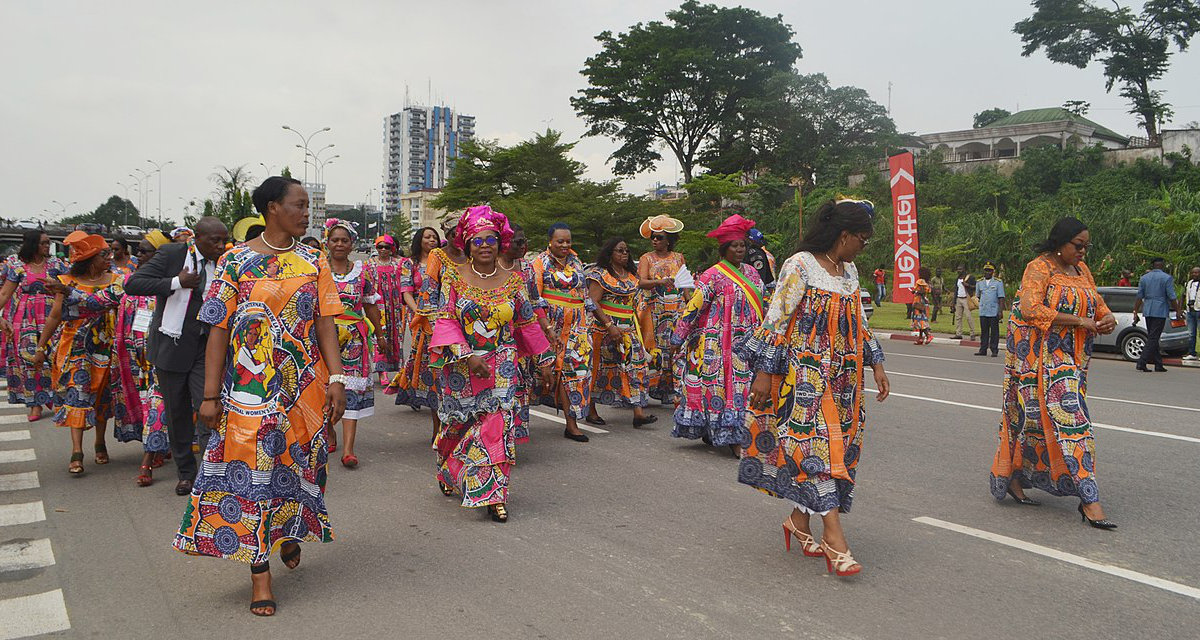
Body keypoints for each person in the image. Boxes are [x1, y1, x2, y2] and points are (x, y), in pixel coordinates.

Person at [173, 176, 346, 617]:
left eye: (308, 206)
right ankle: (259, 574)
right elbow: (217, 331)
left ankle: (288, 530)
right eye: (300, 205)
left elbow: (326, 323)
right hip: (249, 392)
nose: (307, 213)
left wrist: (339, 379)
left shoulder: (314, 260)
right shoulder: (235, 262)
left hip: (304, 391)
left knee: (299, 467)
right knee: (251, 478)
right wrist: (210, 396)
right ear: (273, 208)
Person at [742, 198, 890, 577]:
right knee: (817, 450)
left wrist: (876, 362)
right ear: (844, 235)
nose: (864, 245)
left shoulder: (849, 271)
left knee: (841, 447)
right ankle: (835, 539)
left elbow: (859, 319)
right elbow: (777, 318)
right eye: (862, 238)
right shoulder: (800, 264)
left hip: (844, 377)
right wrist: (763, 371)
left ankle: (797, 521)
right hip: (804, 374)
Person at [990, 217, 1118, 528]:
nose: (1083, 252)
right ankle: (1090, 500)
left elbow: (1095, 303)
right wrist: (1079, 322)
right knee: (1060, 422)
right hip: (1037, 360)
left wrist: (1106, 316)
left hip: (1072, 361)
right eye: (1078, 245)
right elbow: (1030, 308)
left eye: (1086, 246)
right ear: (1060, 242)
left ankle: (1014, 478)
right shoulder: (1039, 267)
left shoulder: (1081, 271)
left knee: (1034, 423)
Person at [428, 206, 553, 522]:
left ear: (501, 243)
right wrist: (467, 356)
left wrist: (545, 359)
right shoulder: (453, 278)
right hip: (461, 367)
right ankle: (450, 467)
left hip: (504, 365)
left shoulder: (513, 281)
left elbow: (526, 322)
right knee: (458, 425)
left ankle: (492, 494)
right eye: (478, 240)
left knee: (497, 425)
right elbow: (445, 319)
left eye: (491, 240)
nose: (485, 245)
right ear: (467, 244)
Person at [125, 216, 230, 495]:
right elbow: (134, 284)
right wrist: (176, 282)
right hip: (172, 345)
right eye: (215, 240)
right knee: (177, 414)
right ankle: (186, 473)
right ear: (197, 238)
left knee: (208, 407)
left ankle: (211, 472)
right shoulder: (173, 254)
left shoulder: (227, 262)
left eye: (224, 240)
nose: (221, 246)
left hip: (207, 347)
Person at [670, 214, 763, 456]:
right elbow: (694, 307)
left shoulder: (753, 274)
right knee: (728, 388)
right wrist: (678, 337)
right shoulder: (712, 275)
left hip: (749, 340)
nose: (740, 249)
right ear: (724, 248)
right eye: (734, 245)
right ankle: (731, 436)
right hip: (720, 340)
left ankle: (743, 432)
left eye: (743, 245)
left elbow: (763, 302)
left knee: (747, 386)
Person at [32, 232, 123, 475]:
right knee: (78, 394)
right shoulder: (66, 280)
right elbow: (55, 315)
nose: (110, 257)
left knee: (103, 395)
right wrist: (41, 346)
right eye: (104, 254)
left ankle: (100, 442)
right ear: (91, 258)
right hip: (75, 347)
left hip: (107, 345)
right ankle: (77, 451)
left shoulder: (117, 280)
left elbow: (101, 302)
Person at [323, 219, 386, 468]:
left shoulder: (362, 273)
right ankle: (329, 429)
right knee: (324, 386)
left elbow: (370, 306)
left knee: (351, 389)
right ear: (327, 243)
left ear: (352, 245)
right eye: (335, 239)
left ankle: (348, 449)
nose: (339, 244)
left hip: (354, 340)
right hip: (324, 338)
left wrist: (380, 336)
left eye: (344, 240)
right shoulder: (319, 270)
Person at [113, 232, 172, 486]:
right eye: (138, 250)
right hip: (134, 361)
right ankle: (158, 447)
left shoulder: (173, 285)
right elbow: (98, 299)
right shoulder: (129, 282)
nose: (138, 255)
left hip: (161, 359)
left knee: (156, 405)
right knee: (145, 407)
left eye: (145, 251)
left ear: (160, 255)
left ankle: (147, 462)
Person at [530, 223, 596, 442]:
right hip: (552, 324)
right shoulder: (540, 263)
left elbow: (584, 293)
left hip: (578, 325)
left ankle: (572, 424)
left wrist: (589, 320)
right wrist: (546, 327)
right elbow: (534, 297)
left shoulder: (576, 261)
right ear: (550, 241)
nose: (565, 245)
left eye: (568, 241)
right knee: (545, 373)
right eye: (560, 241)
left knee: (577, 372)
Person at [0, 229, 67, 421]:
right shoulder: (18, 266)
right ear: (32, 245)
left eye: (48, 242)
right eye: (43, 243)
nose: (47, 246)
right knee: (29, 358)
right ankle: (35, 404)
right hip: (25, 317)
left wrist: (57, 285)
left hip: (52, 314)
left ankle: (57, 399)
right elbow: (5, 293)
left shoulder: (56, 264)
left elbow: (70, 285)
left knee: (55, 356)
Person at [586, 237, 654, 427]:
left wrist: (663, 282)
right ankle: (591, 411)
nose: (624, 254)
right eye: (620, 251)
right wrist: (609, 325)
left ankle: (638, 413)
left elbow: (643, 286)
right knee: (598, 370)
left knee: (635, 368)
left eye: (626, 251)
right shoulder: (600, 275)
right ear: (610, 254)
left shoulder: (631, 275)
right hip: (603, 330)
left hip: (628, 330)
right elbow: (592, 302)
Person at [498, 223, 554, 443]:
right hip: (495, 341)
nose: (523, 246)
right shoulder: (488, 268)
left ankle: (508, 441)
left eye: (525, 241)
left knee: (519, 390)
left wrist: (547, 330)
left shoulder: (527, 269)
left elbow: (534, 304)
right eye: (518, 241)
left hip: (523, 342)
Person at [392, 226, 446, 435]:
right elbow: (406, 292)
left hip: (442, 318)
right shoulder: (409, 264)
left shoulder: (443, 261)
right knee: (424, 360)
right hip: (418, 318)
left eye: (435, 237)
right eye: (427, 237)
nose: (432, 240)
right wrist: (420, 313)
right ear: (419, 240)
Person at [637, 215, 687, 405]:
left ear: (669, 241)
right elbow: (641, 282)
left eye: (660, 237)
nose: (655, 241)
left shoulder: (678, 258)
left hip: (676, 308)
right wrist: (658, 281)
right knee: (656, 349)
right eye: (653, 237)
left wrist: (690, 304)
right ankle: (652, 387)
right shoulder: (646, 258)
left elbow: (684, 284)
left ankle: (676, 388)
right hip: (654, 310)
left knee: (676, 347)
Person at [364, 234, 406, 384]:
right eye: (379, 246)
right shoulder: (369, 264)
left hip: (395, 304)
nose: (383, 250)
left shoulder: (399, 264)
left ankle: (395, 368)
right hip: (378, 304)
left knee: (395, 335)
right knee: (380, 334)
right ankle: (382, 372)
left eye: (386, 247)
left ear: (392, 249)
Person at [1132, 257, 1180, 372]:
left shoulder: (1144, 278)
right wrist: (1178, 310)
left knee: (1153, 337)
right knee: (1153, 337)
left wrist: (1135, 311)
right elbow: (1172, 296)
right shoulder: (1167, 278)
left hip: (1148, 309)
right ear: (1162, 265)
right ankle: (1141, 362)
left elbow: (1139, 296)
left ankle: (1158, 364)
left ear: (1153, 265)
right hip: (1160, 310)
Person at [975, 262, 1006, 357]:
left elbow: (1001, 297)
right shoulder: (979, 282)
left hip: (993, 310)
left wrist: (1000, 311)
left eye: (989, 270)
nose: (987, 272)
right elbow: (978, 296)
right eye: (986, 270)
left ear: (993, 272)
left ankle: (994, 350)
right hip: (983, 310)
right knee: (984, 331)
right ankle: (983, 349)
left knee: (994, 332)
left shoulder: (998, 282)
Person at [952, 264, 977, 341]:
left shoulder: (970, 277)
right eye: (958, 269)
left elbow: (975, 286)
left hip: (967, 299)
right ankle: (958, 333)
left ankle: (972, 334)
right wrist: (953, 301)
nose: (959, 271)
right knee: (958, 317)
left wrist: (968, 285)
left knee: (969, 317)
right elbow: (956, 290)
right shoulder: (958, 278)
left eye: (960, 269)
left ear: (964, 269)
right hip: (959, 299)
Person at [1183, 266, 1200, 361]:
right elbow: (1184, 295)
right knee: (1191, 334)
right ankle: (1192, 353)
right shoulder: (1189, 283)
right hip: (1190, 311)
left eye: (1196, 273)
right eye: (1193, 273)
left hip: (1199, 310)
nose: (1194, 274)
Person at [911, 279, 932, 345]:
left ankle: (928, 336)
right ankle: (920, 338)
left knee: (921, 323)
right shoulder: (922, 288)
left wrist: (916, 291)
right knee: (919, 324)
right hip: (918, 307)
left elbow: (922, 292)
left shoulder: (922, 289)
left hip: (920, 308)